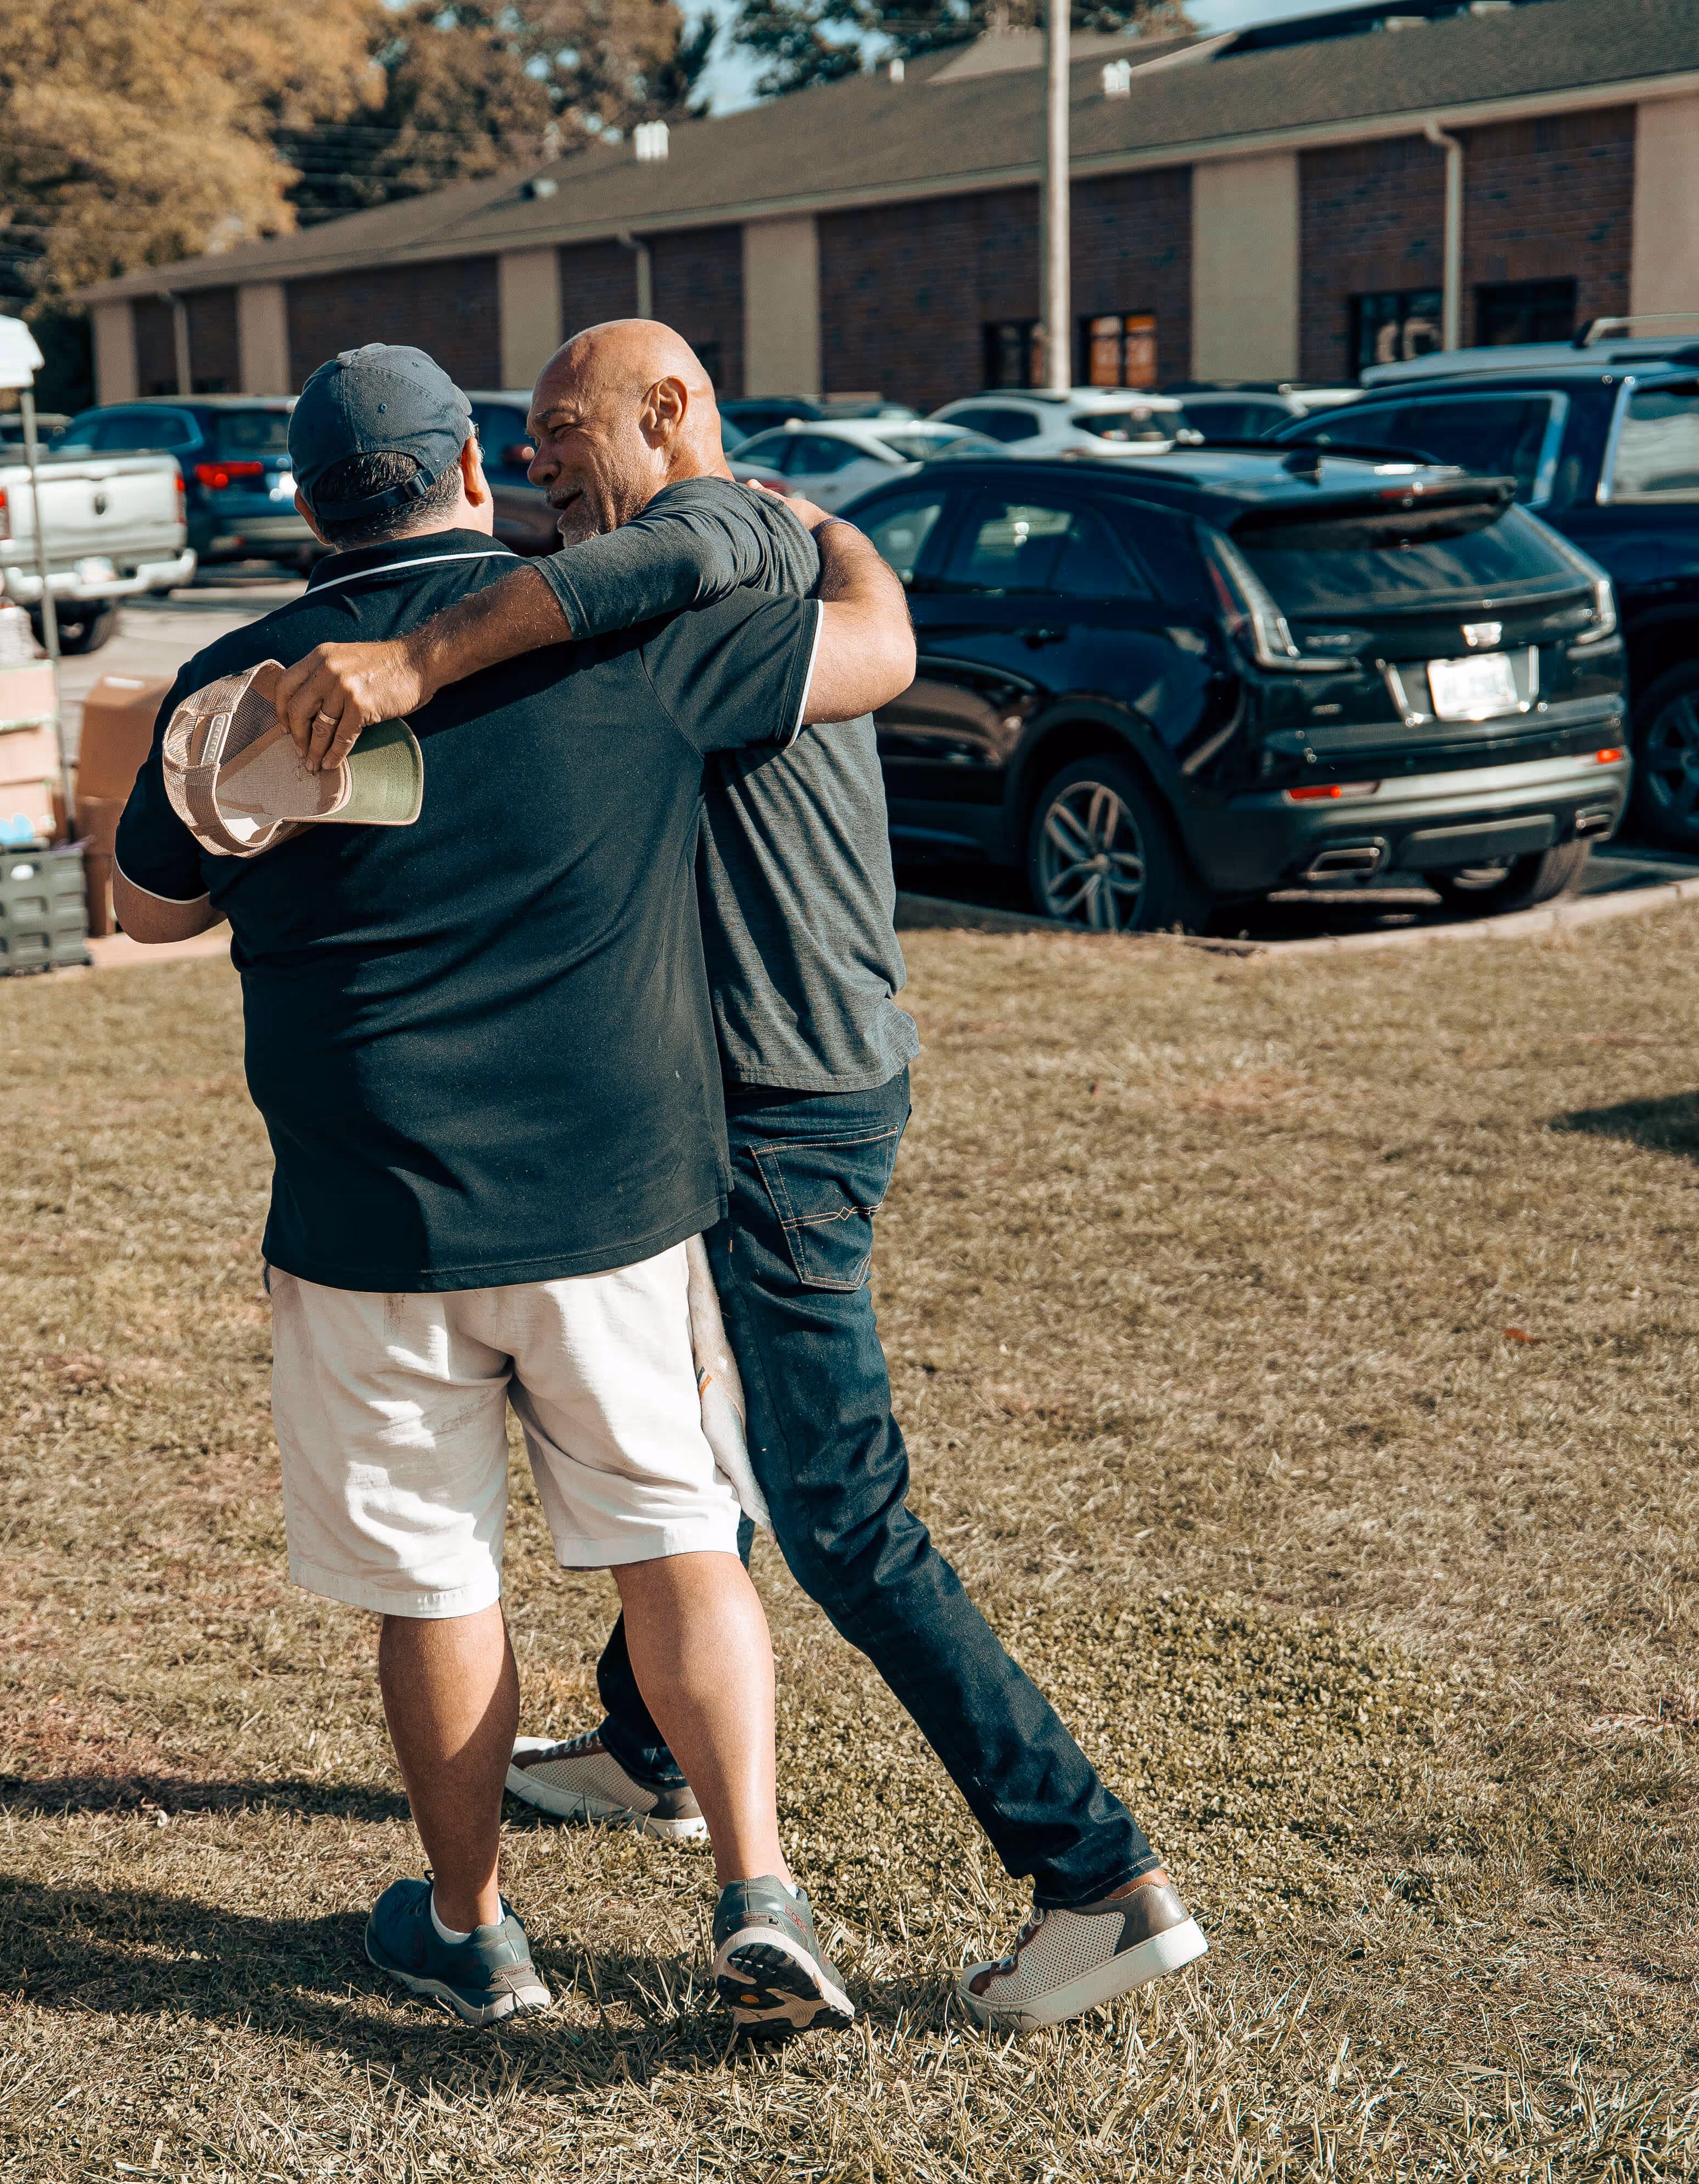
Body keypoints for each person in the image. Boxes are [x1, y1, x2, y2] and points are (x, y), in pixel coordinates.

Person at [262, 321, 1207, 2033]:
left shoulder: (691, 547)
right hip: (806, 1084)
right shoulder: (767, 547)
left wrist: (401, 666)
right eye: (523, 435)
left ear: (670, 415)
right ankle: (646, 1748)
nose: (542, 459)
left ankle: (1093, 1874)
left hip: (774, 1110)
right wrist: (852, 542)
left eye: (565, 427)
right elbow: (877, 629)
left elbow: (589, 587)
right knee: (688, 1454)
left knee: (836, 1514)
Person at [109, 343, 915, 2034]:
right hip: (617, 1197)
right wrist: (827, 533)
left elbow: (150, 909)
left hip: (368, 1216)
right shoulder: (620, 633)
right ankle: (753, 1888)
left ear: (304, 502)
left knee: (433, 1581)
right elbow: (877, 661)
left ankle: (471, 1926)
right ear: (472, 475)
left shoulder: (244, 673)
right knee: (680, 1541)